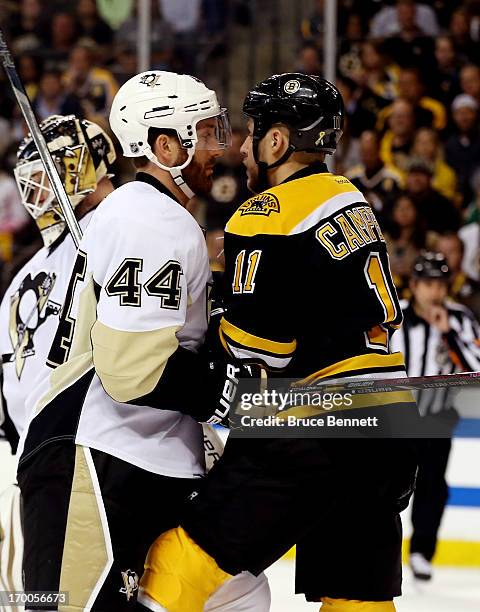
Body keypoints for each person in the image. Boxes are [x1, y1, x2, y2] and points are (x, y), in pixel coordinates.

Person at [138, 73, 418, 612]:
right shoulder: (350, 199)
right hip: (389, 427)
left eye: (251, 135)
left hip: (316, 426)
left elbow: (261, 356)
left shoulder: (266, 214)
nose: (242, 148)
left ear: (277, 142)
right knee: (356, 599)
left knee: (175, 565)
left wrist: (209, 320)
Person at [16, 71, 269, 612]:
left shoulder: (151, 218)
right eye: (203, 133)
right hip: (92, 459)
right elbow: (133, 371)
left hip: (146, 458)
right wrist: (229, 392)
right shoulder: (148, 218)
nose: (216, 147)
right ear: (165, 145)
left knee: (238, 592)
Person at [0, 113, 116, 603]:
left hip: (90, 454)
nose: (39, 187)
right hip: (40, 460)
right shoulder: (27, 270)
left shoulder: (115, 228)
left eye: (53, 168)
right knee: (37, 595)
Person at [391, 251, 480, 580]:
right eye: (427, 284)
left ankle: (421, 552)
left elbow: (476, 368)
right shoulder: (393, 315)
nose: (435, 292)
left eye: (440, 284)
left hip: (436, 416)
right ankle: (377, 547)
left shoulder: (459, 318)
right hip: (395, 415)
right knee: (383, 484)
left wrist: (448, 334)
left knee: (432, 486)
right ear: (414, 285)